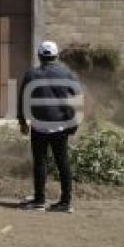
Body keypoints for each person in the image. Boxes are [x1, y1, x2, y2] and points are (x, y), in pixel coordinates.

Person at [17, 40, 81, 213]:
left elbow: (22, 100)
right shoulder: (66, 73)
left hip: (39, 126)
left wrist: (22, 122)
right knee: (63, 163)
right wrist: (74, 121)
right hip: (61, 125)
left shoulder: (31, 74)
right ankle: (66, 202)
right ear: (56, 56)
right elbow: (77, 96)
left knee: (40, 162)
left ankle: (39, 201)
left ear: (39, 56)